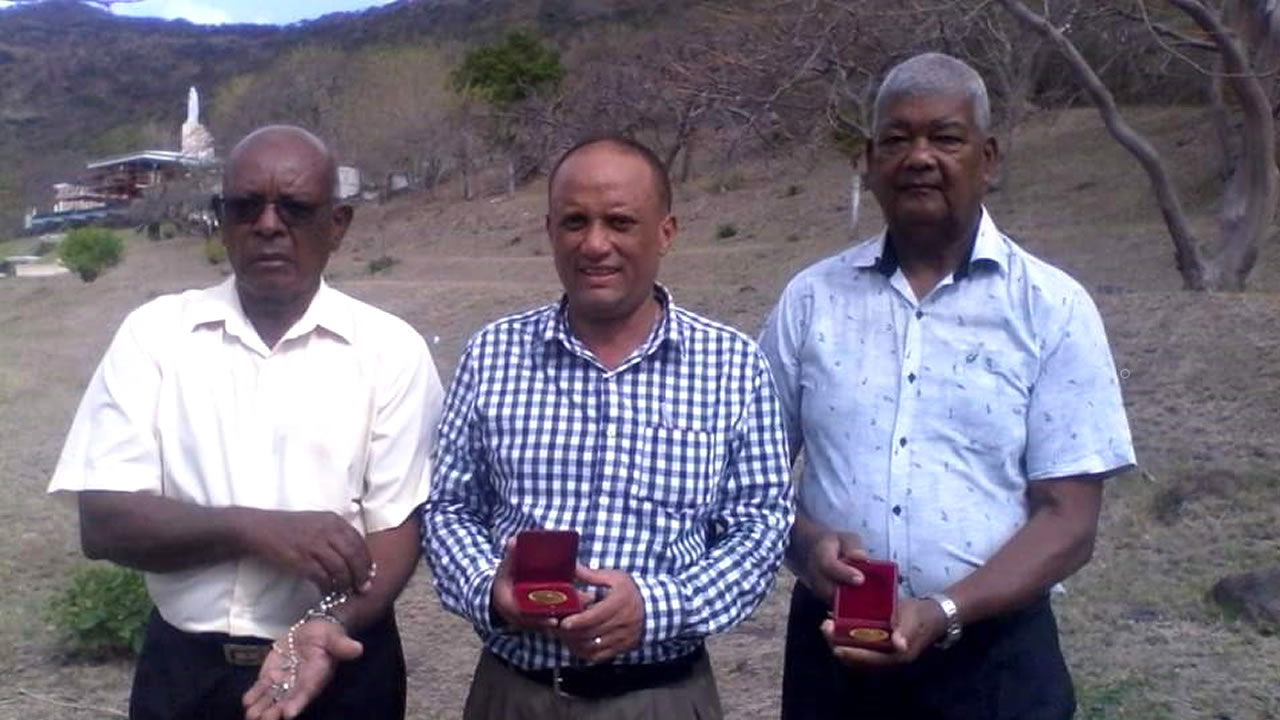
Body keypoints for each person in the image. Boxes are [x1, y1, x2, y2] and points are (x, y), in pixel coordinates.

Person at [759, 53, 1137, 719]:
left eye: (946, 137)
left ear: (988, 158)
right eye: (897, 140)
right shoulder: (810, 300)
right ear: (871, 161)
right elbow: (749, 480)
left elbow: (1071, 522)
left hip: (996, 665)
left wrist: (945, 609)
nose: (920, 157)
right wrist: (806, 542)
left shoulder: (1051, 306)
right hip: (833, 658)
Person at [48, 125, 444, 720]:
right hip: (184, 676)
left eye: (295, 208)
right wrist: (257, 531)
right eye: (245, 206)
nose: (268, 225)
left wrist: (327, 627)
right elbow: (103, 521)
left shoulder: (392, 351)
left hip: (340, 667)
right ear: (220, 218)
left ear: (338, 224)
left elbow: (396, 528)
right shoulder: (155, 336)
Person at [423, 135, 794, 719]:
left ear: (665, 232)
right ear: (550, 231)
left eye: (620, 222)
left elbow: (761, 527)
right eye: (575, 222)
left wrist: (657, 606)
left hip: (663, 697)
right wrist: (488, 588)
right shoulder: (492, 354)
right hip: (513, 694)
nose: (596, 244)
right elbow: (449, 507)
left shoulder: (733, 366)